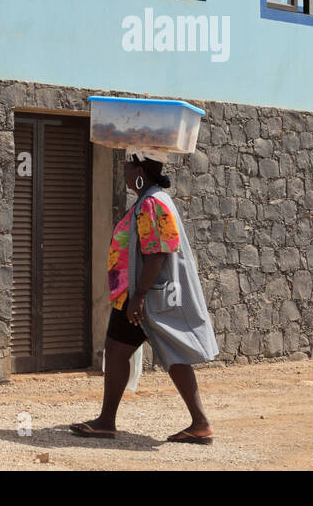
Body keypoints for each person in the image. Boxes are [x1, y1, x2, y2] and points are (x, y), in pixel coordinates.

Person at [71, 150, 218, 444]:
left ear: (140, 172)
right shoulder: (151, 200)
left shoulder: (151, 203)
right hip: (140, 293)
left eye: (127, 166)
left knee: (122, 351)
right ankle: (197, 422)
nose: (124, 172)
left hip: (143, 296)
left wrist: (138, 297)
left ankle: (108, 421)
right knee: (130, 351)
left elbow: (158, 251)